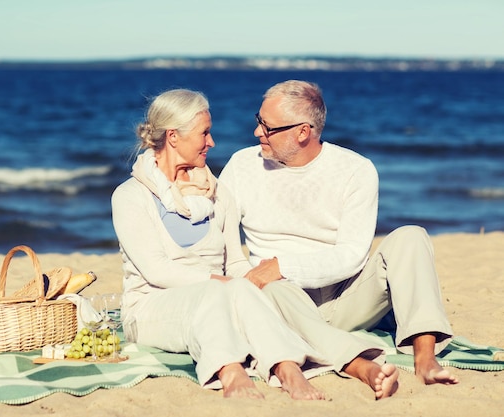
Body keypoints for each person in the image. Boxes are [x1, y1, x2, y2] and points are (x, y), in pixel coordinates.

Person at [219, 80, 459, 396]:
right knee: (276, 289)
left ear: (302, 132)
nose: (257, 132)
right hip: (276, 300)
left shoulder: (355, 170)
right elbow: (221, 239)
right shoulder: (241, 166)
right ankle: (360, 363)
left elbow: (351, 256)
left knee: (411, 236)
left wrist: (282, 265)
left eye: (268, 126)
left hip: (344, 300)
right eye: (258, 120)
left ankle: (425, 359)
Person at [111, 88, 332, 401]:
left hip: (218, 297)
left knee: (251, 287)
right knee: (224, 290)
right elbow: (157, 271)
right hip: (151, 307)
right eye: (205, 133)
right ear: (173, 137)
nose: (212, 142)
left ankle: (287, 369)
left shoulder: (217, 193)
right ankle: (231, 372)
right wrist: (225, 285)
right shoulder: (130, 196)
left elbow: (236, 264)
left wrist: (255, 281)